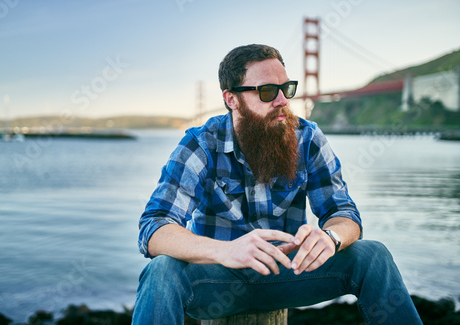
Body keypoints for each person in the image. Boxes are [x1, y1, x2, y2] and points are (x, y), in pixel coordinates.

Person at [133, 44, 422, 324]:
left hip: (289, 272)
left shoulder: (307, 138)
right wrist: (225, 251)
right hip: (215, 280)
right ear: (232, 99)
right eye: (268, 91)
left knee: (373, 255)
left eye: (287, 89)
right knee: (161, 270)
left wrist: (331, 238)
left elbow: (344, 213)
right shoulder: (201, 143)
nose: (283, 100)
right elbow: (154, 228)